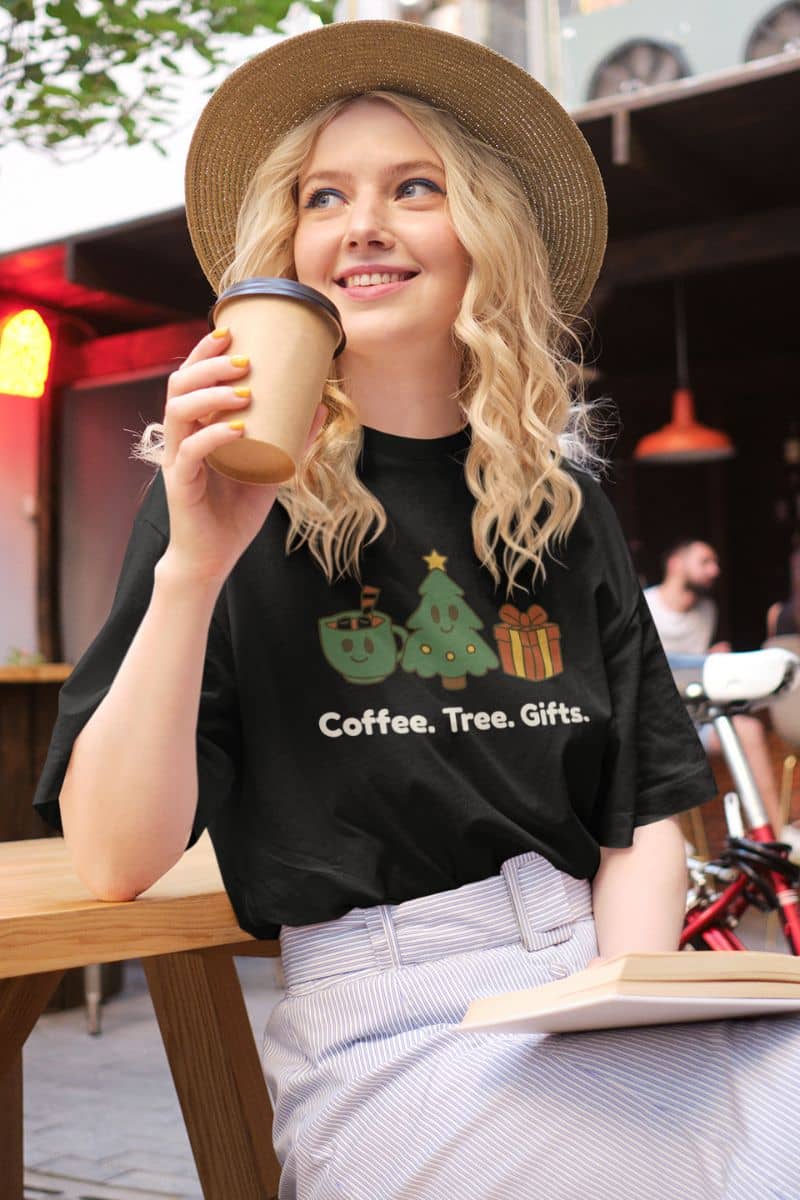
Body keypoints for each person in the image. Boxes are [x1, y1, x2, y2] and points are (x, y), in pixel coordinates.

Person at [32, 20, 800, 1200]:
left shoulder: (562, 506)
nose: (362, 222)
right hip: (387, 1034)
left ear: (479, 235)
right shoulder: (216, 499)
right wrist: (192, 564)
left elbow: (638, 814)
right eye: (322, 195)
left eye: (414, 187)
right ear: (287, 247)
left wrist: (634, 996)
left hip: (592, 981)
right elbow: (115, 855)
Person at [645, 538, 800, 855]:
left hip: (696, 716)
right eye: (705, 561)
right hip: (655, 720)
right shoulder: (645, 606)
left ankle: (772, 836)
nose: (714, 570)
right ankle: (668, 844)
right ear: (675, 563)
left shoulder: (706, 610)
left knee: (748, 727)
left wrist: (710, 657)